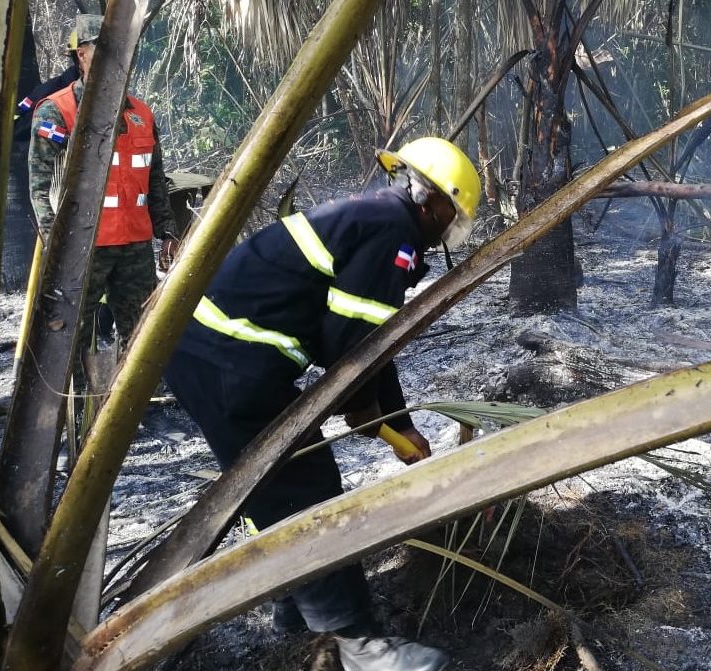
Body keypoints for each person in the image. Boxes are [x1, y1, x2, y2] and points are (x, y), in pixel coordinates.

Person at [163, 137, 479, 671]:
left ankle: (292, 604)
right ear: (434, 201)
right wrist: (370, 414)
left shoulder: (377, 216)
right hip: (233, 364)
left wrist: (394, 424)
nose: (453, 226)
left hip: (206, 354)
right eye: (455, 212)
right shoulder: (394, 235)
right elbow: (352, 347)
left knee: (266, 485)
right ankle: (359, 645)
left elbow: (372, 345)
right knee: (304, 489)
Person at [27, 14, 179, 386]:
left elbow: (155, 179)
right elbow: (40, 186)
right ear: (82, 54)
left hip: (134, 245)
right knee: (69, 334)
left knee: (141, 328)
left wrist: (168, 230)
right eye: (104, 49)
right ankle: (77, 405)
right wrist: (57, 245)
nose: (116, 58)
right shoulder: (56, 111)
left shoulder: (142, 113)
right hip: (83, 249)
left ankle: (136, 403)